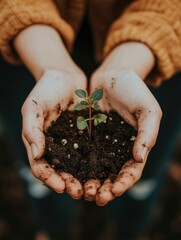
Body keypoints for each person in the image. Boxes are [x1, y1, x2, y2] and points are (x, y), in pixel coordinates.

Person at [0, 0, 181, 239]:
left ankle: (131, 228)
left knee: (145, 164)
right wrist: (50, 65)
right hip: (29, 47)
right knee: (36, 156)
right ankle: (54, 228)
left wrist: (127, 64)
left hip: (156, 45)